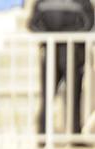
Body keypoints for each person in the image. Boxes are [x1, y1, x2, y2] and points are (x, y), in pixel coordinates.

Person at [28, 0, 94, 140]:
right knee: (70, 96)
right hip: (70, 53)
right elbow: (89, 23)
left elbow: (33, 24)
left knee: (54, 95)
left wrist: (50, 36)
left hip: (63, 53)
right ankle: (71, 136)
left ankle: (46, 136)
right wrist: (67, 37)